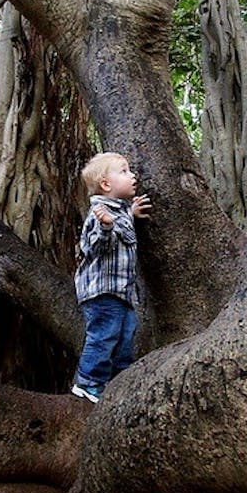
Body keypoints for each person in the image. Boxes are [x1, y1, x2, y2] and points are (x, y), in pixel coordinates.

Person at [70, 152, 152, 403]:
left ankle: (118, 381)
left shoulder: (119, 212)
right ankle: (88, 383)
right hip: (102, 291)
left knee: (126, 334)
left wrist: (131, 214)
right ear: (106, 184)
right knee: (104, 335)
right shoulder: (100, 212)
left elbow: (122, 228)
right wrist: (106, 227)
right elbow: (96, 248)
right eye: (125, 171)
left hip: (121, 293)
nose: (133, 175)